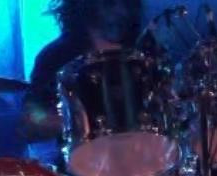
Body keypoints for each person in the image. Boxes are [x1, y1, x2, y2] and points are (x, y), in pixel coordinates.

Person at [20, 0, 144, 143]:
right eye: (110, 3)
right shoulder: (54, 56)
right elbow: (29, 125)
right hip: (84, 154)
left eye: (126, 3)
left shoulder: (144, 50)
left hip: (147, 151)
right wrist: (73, 122)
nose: (121, 11)